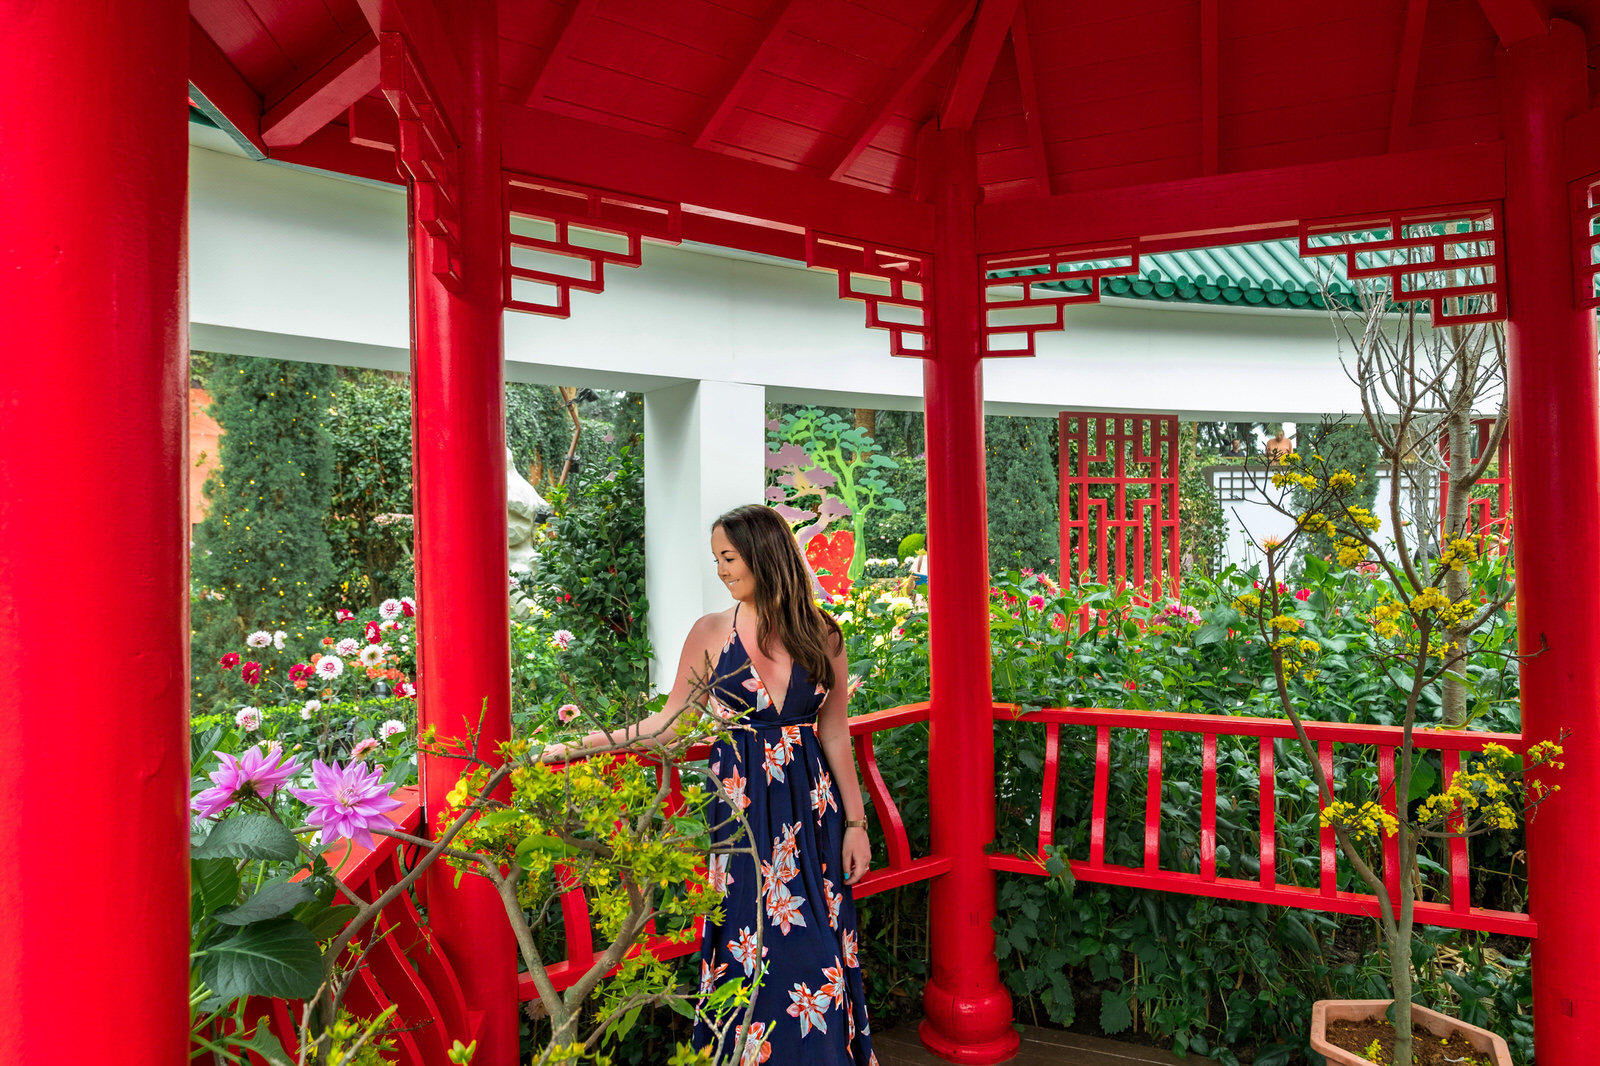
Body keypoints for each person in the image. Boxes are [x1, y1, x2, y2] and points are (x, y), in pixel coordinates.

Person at [546, 503, 878, 1064]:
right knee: (748, 952)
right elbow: (666, 726)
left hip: (811, 814)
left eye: (728, 557)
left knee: (820, 952)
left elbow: (836, 735)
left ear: (764, 556)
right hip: (742, 815)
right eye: (717, 559)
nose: (722, 571)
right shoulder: (711, 633)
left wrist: (855, 822)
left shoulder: (823, 635)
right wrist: (577, 746)